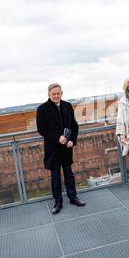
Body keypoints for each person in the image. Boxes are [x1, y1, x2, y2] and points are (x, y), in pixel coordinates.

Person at [36, 83, 85, 214]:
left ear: (61, 93)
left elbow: (74, 126)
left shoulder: (67, 106)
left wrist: (72, 141)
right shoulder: (42, 109)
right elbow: (41, 129)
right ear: (49, 94)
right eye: (54, 94)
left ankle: (73, 197)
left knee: (69, 174)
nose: (56, 96)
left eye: (58, 93)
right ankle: (58, 202)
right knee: (55, 177)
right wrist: (57, 138)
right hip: (53, 149)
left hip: (66, 148)